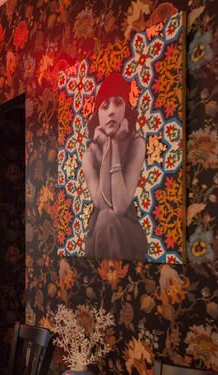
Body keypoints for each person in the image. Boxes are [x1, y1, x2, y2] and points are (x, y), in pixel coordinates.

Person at [82, 72, 147, 260]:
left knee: (107, 218)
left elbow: (119, 206)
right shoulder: (89, 155)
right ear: (98, 115)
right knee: (104, 218)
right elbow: (103, 204)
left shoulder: (136, 143)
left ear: (126, 109)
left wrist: (115, 145)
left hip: (128, 230)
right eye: (105, 106)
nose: (111, 111)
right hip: (97, 234)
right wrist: (106, 148)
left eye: (118, 103)